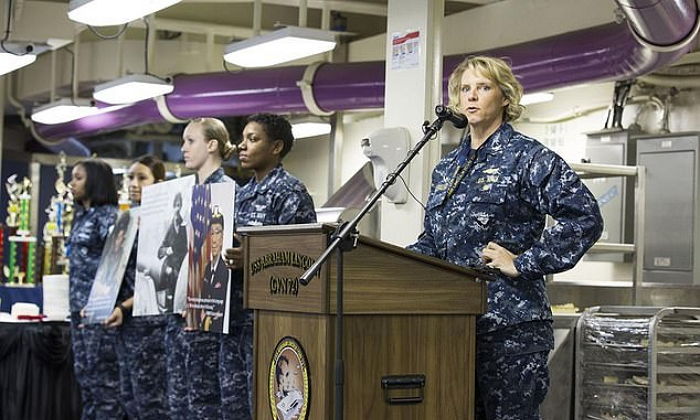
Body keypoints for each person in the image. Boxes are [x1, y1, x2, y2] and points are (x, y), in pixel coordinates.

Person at [407, 56, 603, 420]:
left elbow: (585, 218)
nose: (472, 96)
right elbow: (433, 242)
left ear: (505, 97)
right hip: (454, 327)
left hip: (511, 331)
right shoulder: (447, 168)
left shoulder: (528, 158)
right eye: (465, 89)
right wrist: (389, 263)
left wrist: (523, 262)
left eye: (483, 88)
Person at [222, 113, 317, 419]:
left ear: (276, 147)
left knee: (264, 404)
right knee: (233, 403)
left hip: (269, 323)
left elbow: (301, 260)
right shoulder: (240, 194)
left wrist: (248, 259)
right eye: (243, 139)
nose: (242, 146)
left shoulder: (290, 193)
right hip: (234, 318)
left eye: (253, 139)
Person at [176, 117, 237, 419]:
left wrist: (200, 305)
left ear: (211, 144)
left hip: (210, 313)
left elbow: (218, 258)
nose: (183, 148)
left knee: (207, 401)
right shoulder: (187, 192)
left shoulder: (226, 192)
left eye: (190, 141)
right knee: (187, 401)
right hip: (185, 311)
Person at [104, 155, 169, 419]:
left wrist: (123, 306)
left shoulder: (164, 222)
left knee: (151, 402)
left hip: (149, 324)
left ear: (159, 183)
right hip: (124, 323)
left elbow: (159, 278)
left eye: (142, 177)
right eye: (130, 177)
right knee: (128, 398)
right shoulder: (127, 219)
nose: (133, 183)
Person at [67, 158, 124, 418]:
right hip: (78, 310)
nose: (71, 183)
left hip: (99, 311)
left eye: (78, 178)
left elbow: (116, 265)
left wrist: (101, 305)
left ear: (95, 181)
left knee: (104, 385)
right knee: (85, 379)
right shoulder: (81, 215)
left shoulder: (109, 217)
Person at [156, 192, 187, 312]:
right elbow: (160, 250)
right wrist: (167, 250)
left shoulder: (184, 225)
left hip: (180, 266)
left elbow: (184, 246)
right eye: (175, 205)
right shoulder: (170, 226)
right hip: (169, 266)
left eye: (179, 205)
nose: (177, 208)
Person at [199, 208, 228, 332]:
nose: (214, 239)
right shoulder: (207, 270)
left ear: (223, 237)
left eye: (218, 232)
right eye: (211, 233)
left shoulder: (226, 270)